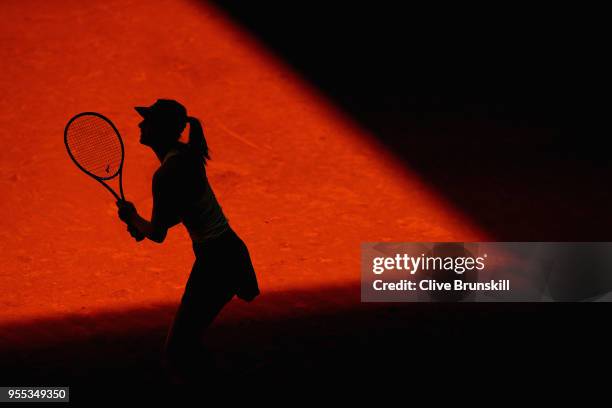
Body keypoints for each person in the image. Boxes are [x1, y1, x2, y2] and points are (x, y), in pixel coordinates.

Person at [116, 99, 260, 382]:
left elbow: (158, 233)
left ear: (161, 130)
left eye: (148, 121)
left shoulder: (167, 173)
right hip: (229, 252)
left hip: (216, 262)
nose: (140, 124)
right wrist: (138, 222)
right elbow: (175, 215)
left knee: (177, 351)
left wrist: (132, 217)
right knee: (187, 344)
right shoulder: (186, 155)